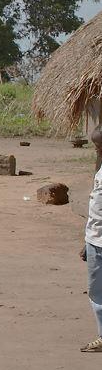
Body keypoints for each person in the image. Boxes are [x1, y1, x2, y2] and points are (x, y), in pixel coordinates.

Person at [80, 125, 102, 353]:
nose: (98, 151)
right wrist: (86, 240)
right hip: (95, 240)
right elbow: (95, 209)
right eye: (96, 147)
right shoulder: (100, 170)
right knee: (96, 291)